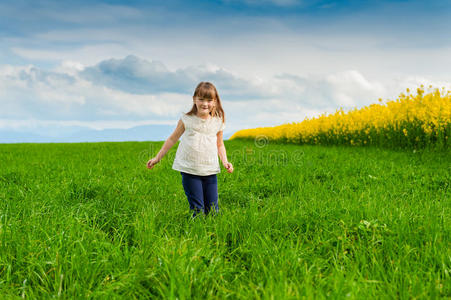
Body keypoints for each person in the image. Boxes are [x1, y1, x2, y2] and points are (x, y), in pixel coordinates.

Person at [146, 82, 233, 217]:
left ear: (215, 102)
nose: (205, 104)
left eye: (209, 100)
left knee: (213, 211)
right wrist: (157, 158)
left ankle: (212, 235)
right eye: (201, 99)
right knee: (198, 210)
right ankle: (196, 234)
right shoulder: (187, 119)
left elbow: (220, 144)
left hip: (209, 170)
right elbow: (172, 139)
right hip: (190, 169)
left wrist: (225, 161)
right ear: (194, 99)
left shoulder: (218, 121)